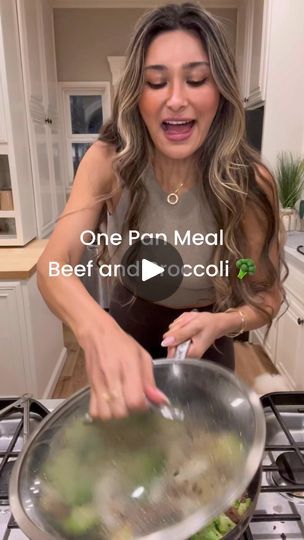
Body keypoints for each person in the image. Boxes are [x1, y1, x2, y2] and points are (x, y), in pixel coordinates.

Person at [37, 3, 286, 420]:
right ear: (137, 94)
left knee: (203, 464)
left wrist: (223, 323)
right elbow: (54, 265)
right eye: (156, 82)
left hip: (209, 344)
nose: (175, 99)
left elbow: (265, 291)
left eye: (196, 79)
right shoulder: (107, 161)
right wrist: (98, 331)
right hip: (126, 329)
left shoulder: (250, 181)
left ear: (221, 91)